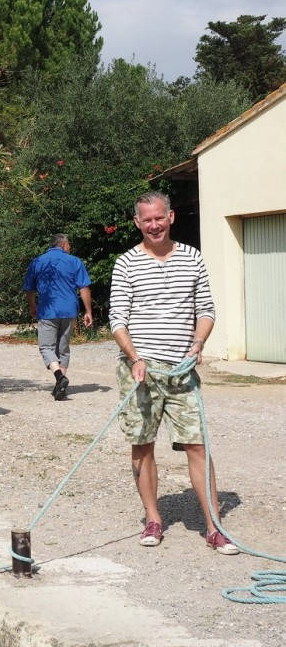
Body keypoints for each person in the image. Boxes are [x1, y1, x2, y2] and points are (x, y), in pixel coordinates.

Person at [109, 191, 237, 554]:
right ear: (137, 223)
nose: (154, 225)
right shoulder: (126, 263)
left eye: (159, 218)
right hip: (140, 373)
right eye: (146, 220)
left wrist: (198, 342)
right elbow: (117, 319)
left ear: (171, 217)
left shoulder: (193, 258)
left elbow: (207, 310)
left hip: (182, 374)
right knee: (142, 445)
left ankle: (213, 526)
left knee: (198, 446)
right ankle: (153, 518)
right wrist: (134, 357)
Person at [23, 234, 93, 400]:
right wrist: (88, 311)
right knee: (63, 348)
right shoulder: (75, 262)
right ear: (64, 245)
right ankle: (60, 388)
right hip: (69, 310)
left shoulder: (38, 262)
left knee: (46, 347)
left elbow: (29, 289)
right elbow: (84, 288)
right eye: (69, 245)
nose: (70, 248)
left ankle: (59, 377)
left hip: (48, 311)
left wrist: (33, 306)